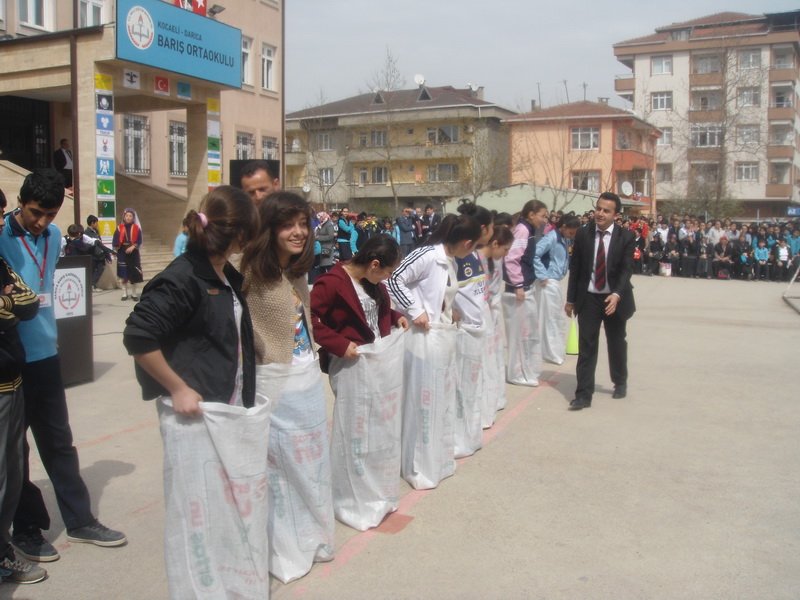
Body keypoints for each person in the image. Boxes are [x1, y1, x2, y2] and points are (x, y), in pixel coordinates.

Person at [123, 186, 260, 598]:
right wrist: (179, 388)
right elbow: (138, 336)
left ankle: (226, 584)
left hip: (225, 409)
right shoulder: (183, 277)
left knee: (223, 507)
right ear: (239, 236)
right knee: (196, 516)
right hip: (193, 418)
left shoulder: (224, 273)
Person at [0, 169, 126, 563]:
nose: (42, 221)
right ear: (20, 202)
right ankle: (26, 530)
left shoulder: (54, 238)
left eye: (50, 214)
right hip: (12, 359)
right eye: (36, 212)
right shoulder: (0, 238)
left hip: (46, 355)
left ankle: (80, 519)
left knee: (59, 443)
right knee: (14, 452)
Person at [239, 191, 335, 582]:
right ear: (269, 229)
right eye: (287, 225)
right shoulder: (248, 273)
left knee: (312, 464)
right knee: (280, 470)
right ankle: (285, 547)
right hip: (275, 384)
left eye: (302, 224)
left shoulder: (296, 272)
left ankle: (312, 536)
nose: (298, 232)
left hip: (307, 379)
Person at [310, 235, 408, 528]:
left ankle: (374, 489)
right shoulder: (331, 283)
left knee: (377, 427)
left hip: (375, 362)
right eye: (388, 271)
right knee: (355, 430)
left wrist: (394, 316)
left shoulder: (371, 282)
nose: (388, 277)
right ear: (374, 264)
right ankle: (350, 496)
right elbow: (312, 320)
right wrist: (339, 343)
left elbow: (375, 310)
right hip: (351, 364)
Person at [0, 189, 44, 585]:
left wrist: (7, 302)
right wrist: (6, 304)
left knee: (11, 471)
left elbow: (28, 304)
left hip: (11, 380)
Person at [565, 192, 635, 411]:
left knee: (616, 342)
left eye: (606, 210)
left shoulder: (626, 237)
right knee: (587, 345)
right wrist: (570, 299)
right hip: (589, 298)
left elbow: (626, 270)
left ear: (615, 214)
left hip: (614, 298)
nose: (600, 213)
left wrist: (616, 293)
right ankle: (583, 394)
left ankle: (620, 381)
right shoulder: (583, 234)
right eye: (598, 208)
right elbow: (575, 268)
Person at [502, 199, 548, 387]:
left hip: (525, 287)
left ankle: (525, 369)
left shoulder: (528, 230)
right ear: (531, 214)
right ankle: (516, 373)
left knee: (527, 333)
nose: (545, 220)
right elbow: (512, 259)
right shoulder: (523, 230)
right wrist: (518, 285)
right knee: (519, 335)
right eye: (543, 216)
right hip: (517, 291)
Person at [533, 215, 579, 365]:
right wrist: (542, 274)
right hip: (548, 281)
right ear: (563, 226)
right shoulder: (551, 237)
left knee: (555, 318)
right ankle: (551, 353)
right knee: (550, 319)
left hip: (555, 281)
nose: (571, 236)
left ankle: (554, 351)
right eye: (571, 232)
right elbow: (535, 254)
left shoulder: (563, 239)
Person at [112, 208, 143, 301]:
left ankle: (134, 293)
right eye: (127, 216)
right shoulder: (119, 228)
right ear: (124, 217)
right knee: (123, 274)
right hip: (122, 253)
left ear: (133, 218)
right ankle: (124, 293)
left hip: (133, 253)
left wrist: (133, 247)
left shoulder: (137, 228)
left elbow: (139, 240)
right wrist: (117, 247)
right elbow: (115, 240)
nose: (128, 217)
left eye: (130, 216)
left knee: (134, 273)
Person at [83, 215, 114, 290]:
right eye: (96, 222)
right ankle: (92, 286)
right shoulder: (86, 233)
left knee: (101, 269)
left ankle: (93, 285)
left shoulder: (96, 232)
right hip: (93, 255)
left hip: (100, 255)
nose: (97, 224)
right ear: (92, 223)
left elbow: (100, 243)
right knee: (92, 271)